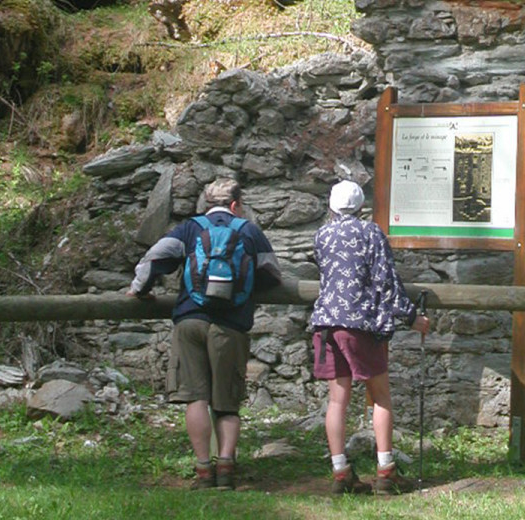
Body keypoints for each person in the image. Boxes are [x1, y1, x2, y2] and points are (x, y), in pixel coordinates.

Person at [128, 177, 281, 489]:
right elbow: (272, 274)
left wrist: (139, 290)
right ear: (236, 205)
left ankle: (202, 470)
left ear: (206, 204)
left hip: (190, 321)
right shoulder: (249, 231)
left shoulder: (189, 228)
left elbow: (154, 259)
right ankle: (225, 468)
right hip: (231, 326)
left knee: (195, 397)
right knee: (227, 402)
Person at [311, 179, 430, 496]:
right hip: (360, 324)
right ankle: (386, 471)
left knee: (337, 401)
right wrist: (412, 317)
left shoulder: (322, 235)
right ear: (361, 207)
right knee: (380, 396)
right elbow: (386, 282)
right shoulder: (371, 233)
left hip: (326, 324)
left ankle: (340, 472)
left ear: (332, 207)